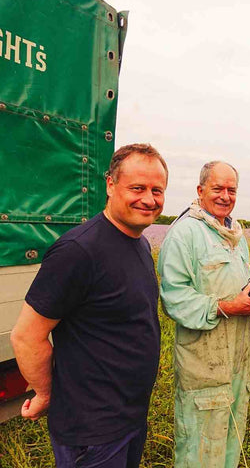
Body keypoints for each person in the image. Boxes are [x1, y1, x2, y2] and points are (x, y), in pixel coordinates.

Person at [11, 143, 168, 468]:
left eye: (157, 190)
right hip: (92, 431)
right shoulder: (78, 251)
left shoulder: (137, 243)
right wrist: (44, 394)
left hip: (130, 419)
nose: (149, 199)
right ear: (110, 185)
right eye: (137, 188)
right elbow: (27, 336)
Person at [158, 161, 250, 468]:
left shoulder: (235, 234)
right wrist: (229, 307)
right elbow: (174, 298)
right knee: (198, 450)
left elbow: (237, 288)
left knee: (229, 446)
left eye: (231, 190)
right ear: (200, 190)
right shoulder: (184, 234)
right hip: (202, 365)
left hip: (237, 363)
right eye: (217, 188)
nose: (225, 196)